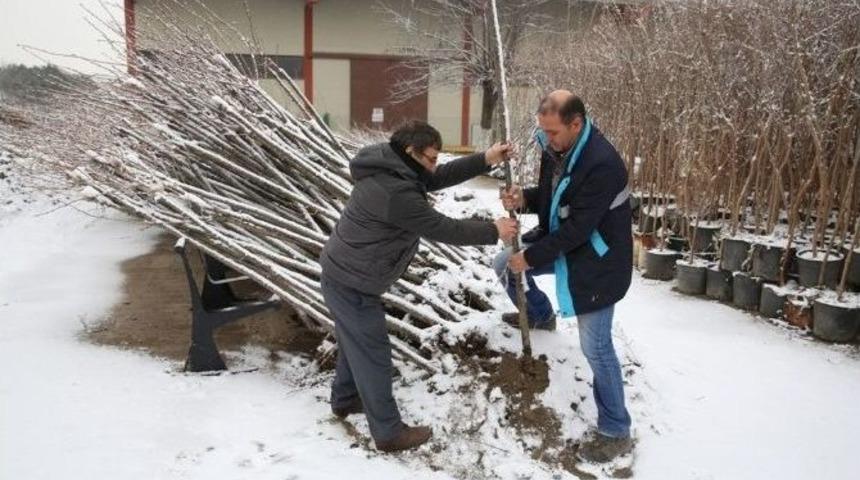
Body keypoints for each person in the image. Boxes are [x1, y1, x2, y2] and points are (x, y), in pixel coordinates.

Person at [319, 120, 518, 452]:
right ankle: (388, 434)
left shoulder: (394, 165)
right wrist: (493, 230)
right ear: (410, 152)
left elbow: (435, 178)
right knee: (374, 353)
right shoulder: (396, 193)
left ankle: (345, 399)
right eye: (430, 158)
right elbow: (443, 228)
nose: (433, 165)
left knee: (357, 341)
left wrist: (485, 158)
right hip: (351, 282)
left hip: (346, 274)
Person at [496, 90, 634, 462]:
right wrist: (523, 198)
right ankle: (541, 315)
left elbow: (579, 228)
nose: (546, 138)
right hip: (562, 242)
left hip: (597, 262)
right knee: (501, 265)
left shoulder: (602, 163)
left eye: (553, 131)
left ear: (576, 124)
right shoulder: (556, 146)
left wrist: (531, 257)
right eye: (543, 130)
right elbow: (552, 194)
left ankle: (616, 428)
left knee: (596, 347)